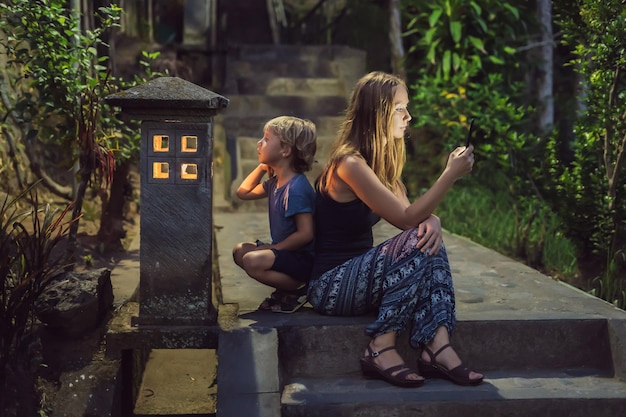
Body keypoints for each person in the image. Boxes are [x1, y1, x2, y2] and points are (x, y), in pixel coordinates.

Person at [308, 71, 484, 387]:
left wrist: (434, 220)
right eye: (399, 108)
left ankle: (437, 346)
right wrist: (449, 175)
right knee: (417, 239)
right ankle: (380, 346)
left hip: (365, 283)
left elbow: (413, 215)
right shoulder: (349, 163)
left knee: (430, 239)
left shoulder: (382, 163)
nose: (408, 116)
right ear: (377, 114)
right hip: (330, 285)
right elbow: (406, 222)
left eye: (406, 107)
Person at [233, 116, 317, 313]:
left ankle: (298, 288)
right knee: (240, 251)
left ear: (285, 150)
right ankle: (286, 288)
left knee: (251, 261)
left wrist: (275, 248)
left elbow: (306, 234)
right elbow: (243, 193)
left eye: (266, 139)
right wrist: (263, 166)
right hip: (285, 253)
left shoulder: (296, 188)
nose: (259, 143)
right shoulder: (275, 182)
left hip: (301, 259)